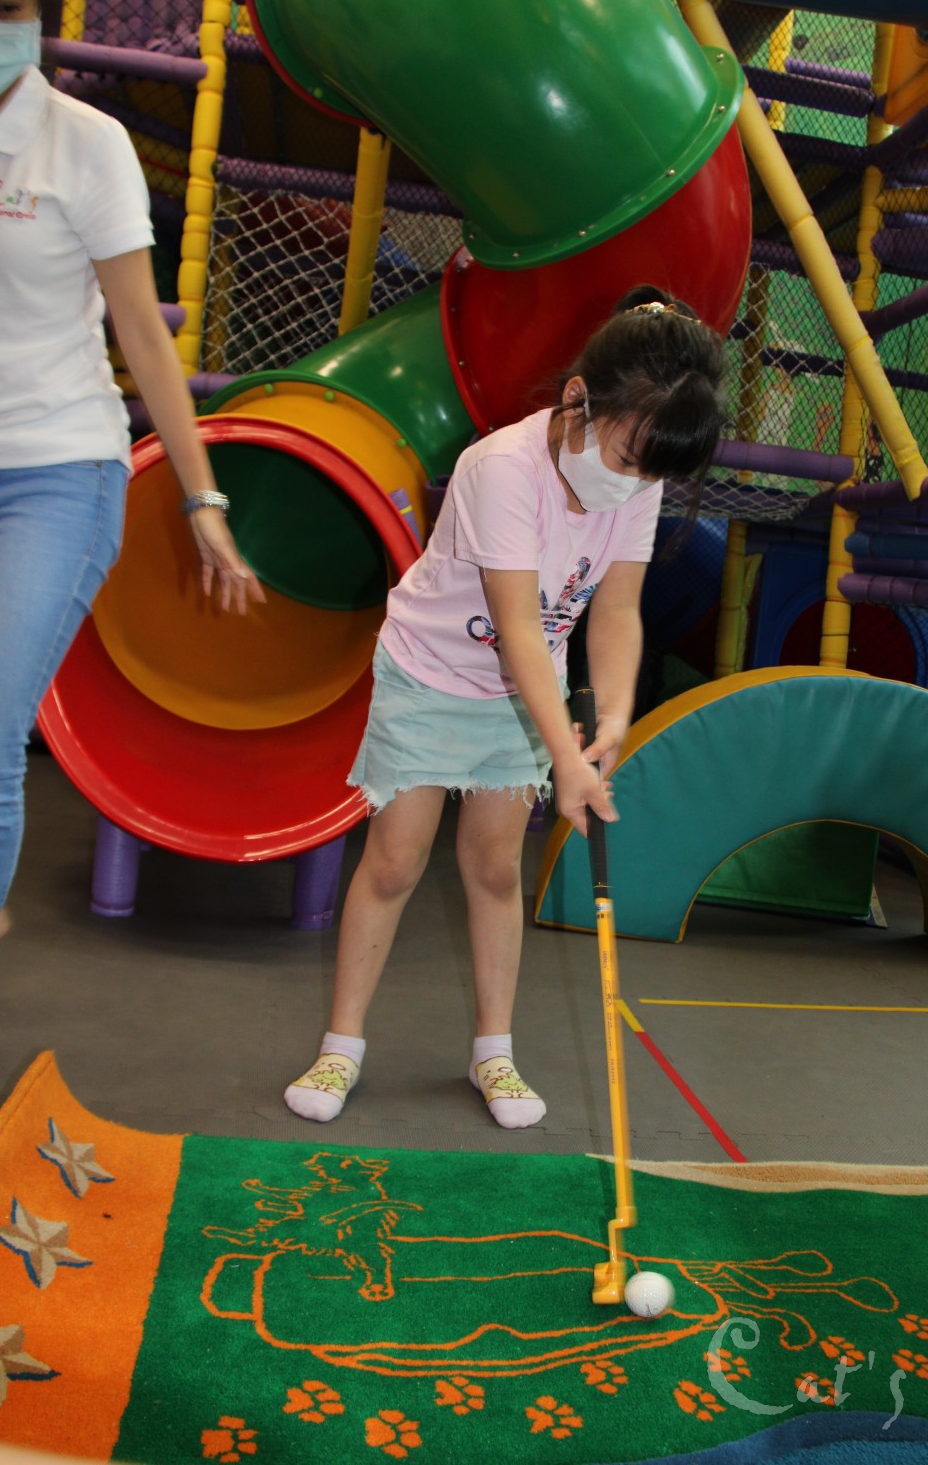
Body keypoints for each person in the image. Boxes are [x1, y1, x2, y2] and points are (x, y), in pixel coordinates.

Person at [284, 285, 728, 1129]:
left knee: (494, 867)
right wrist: (565, 755)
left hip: (523, 695)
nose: (635, 482)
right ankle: (341, 1045)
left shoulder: (637, 482)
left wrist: (614, 718)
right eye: (629, 457)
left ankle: (494, 1053)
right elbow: (518, 625)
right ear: (579, 400)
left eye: (653, 472)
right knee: (395, 861)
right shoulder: (502, 470)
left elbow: (617, 610)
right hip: (429, 674)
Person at [0, 0, 265, 1065]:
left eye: (4, 4)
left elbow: (141, 332)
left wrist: (201, 501)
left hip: (54, 472)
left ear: (39, 10)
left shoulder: (84, 145)